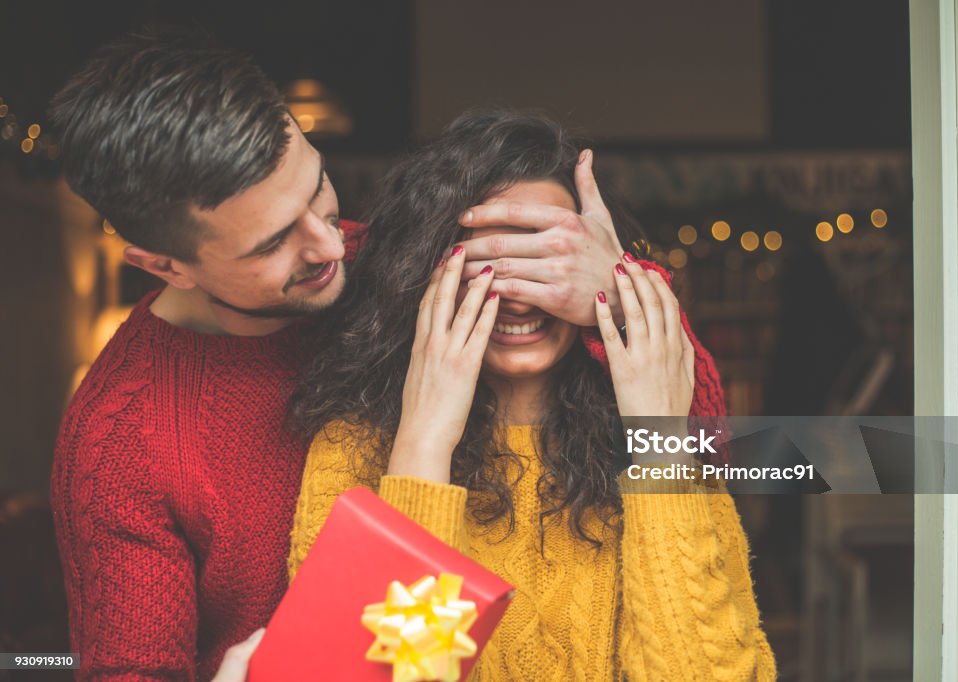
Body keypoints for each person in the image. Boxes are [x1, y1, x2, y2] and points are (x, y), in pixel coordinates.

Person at [48, 30, 726, 679]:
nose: (329, 243)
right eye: (272, 243)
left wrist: (621, 295)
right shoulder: (117, 445)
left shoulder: (401, 267)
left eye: (316, 187)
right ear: (164, 264)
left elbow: (711, 447)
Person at [288, 110, 775, 680]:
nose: (519, 296)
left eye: (546, 260)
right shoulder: (352, 452)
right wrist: (422, 448)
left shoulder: (662, 449)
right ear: (423, 276)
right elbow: (384, 671)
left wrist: (659, 444)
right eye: (487, 262)